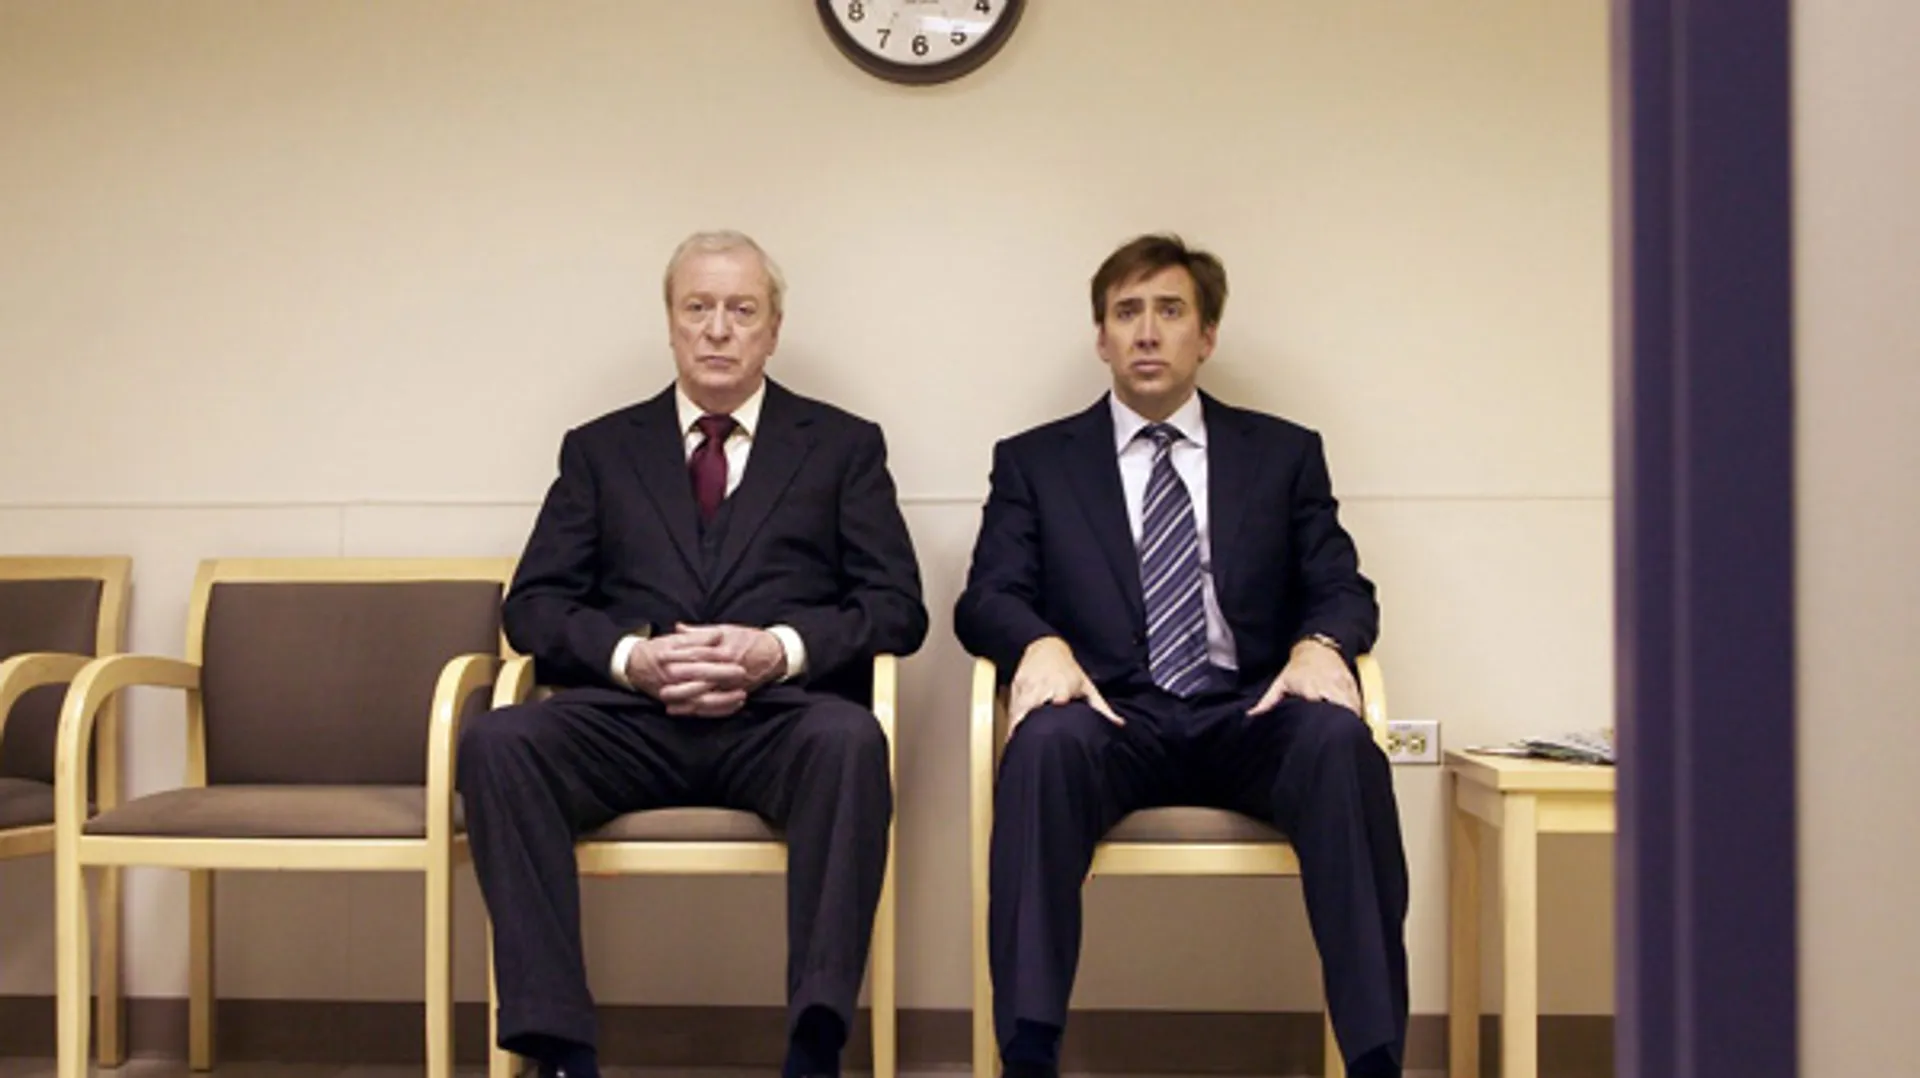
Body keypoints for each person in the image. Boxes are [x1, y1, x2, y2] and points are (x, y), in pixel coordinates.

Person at [461, 230, 928, 1078]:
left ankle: (816, 1041)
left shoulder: (843, 446)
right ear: (671, 323)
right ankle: (557, 1045)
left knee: (852, 741)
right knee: (499, 740)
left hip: (778, 722)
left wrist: (778, 650)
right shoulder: (600, 449)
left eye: (741, 310)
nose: (718, 329)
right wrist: (631, 658)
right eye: (698, 308)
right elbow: (533, 606)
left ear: (774, 329)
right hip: (629, 722)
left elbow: (896, 607)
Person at [954, 234, 1408, 1077]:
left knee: (1341, 745)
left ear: (1207, 335)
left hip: (1250, 714)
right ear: (1101, 337)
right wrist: (1040, 644)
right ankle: (1029, 1052)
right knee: (1041, 746)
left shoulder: (1282, 454)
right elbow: (987, 597)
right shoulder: (1036, 463)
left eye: (1170, 310)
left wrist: (1320, 645)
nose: (1147, 331)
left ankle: (1377, 1056)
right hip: (1109, 716)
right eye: (1127, 312)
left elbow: (1343, 588)